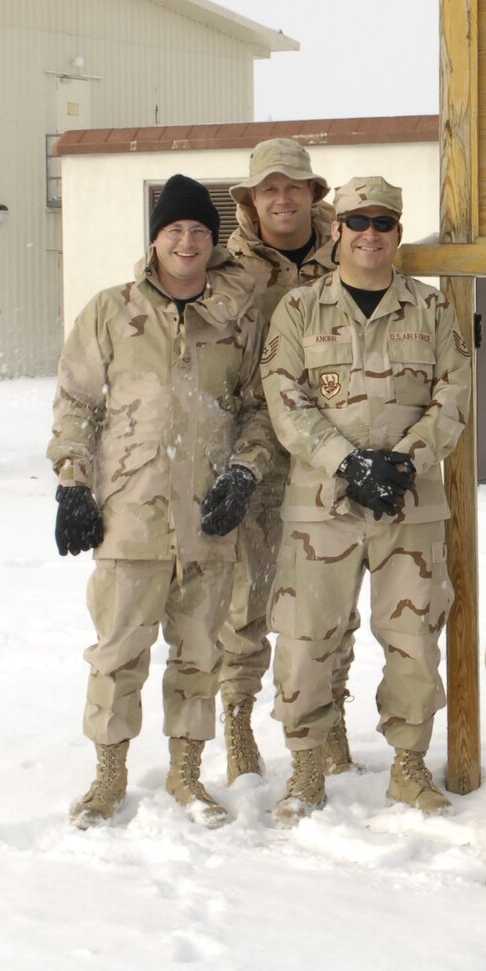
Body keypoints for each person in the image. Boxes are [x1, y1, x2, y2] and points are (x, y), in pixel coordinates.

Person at [49, 174, 275, 830]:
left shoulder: (235, 319)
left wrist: (243, 474)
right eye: (175, 229)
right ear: (155, 240)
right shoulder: (112, 312)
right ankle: (108, 778)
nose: (187, 241)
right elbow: (76, 403)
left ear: (215, 241)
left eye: (200, 231)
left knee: (200, 655)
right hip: (129, 515)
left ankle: (186, 775)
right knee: (117, 653)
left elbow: (259, 411)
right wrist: (73, 483)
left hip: (207, 518)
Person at [258, 176, 470, 822]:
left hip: (410, 506)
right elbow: (283, 395)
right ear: (337, 232)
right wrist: (348, 462)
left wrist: (403, 463)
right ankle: (307, 768)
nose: (370, 234)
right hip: (322, 506)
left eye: (383, 223)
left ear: (398, 233)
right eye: (358, 222)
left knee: (413, 639)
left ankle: (409, 768)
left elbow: (454, 392)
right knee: (304, 641)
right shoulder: (299, 310)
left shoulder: (430, 311)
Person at [215, 138, 344, 786]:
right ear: (251, 199)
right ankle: (238, 721)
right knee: (248, 599)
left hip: (330, 453)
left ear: (313, 194)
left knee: (332, 598)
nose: (282, 199)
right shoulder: (227, 269)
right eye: (269, 189)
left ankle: (332, 717)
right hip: (255, 457)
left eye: (294, 187)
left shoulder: (348, 253)